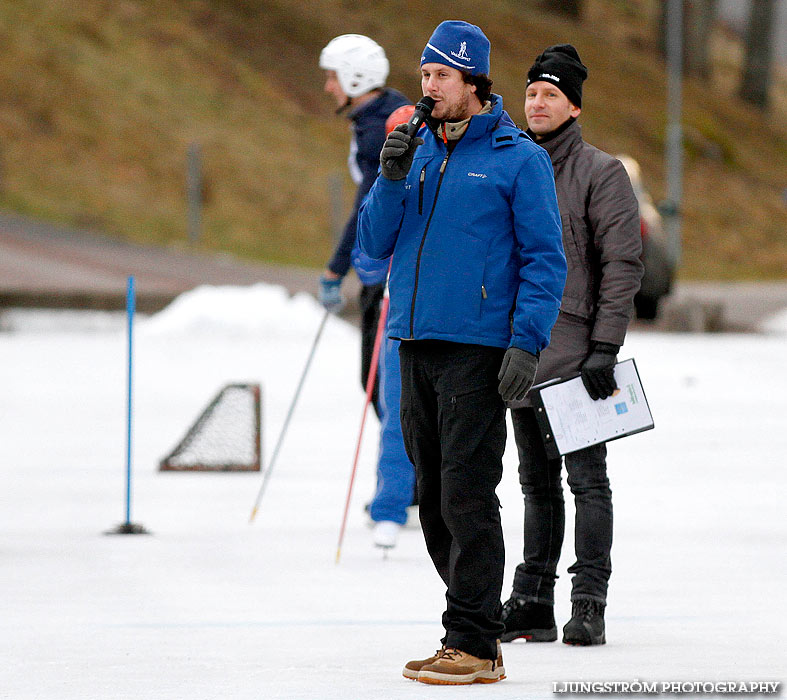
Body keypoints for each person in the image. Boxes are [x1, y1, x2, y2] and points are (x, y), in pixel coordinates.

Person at [358, 21, 566, 685]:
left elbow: (543, 259)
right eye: (424, 76)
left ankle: (471, 641)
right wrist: (388, 179)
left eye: (440, 77)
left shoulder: (517, 157)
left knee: (467, 492)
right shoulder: (412, 148)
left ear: (472, 83)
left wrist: (525, 342)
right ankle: (477, 628)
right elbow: (374, 240)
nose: (428, 88)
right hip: (414, 341)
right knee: (431, 490)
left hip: (477, 348)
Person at [500, 44, 644, 647]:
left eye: (550, 94)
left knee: (587, 482)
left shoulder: (600, 172)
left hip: (578, 355)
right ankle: (533, 599)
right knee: (534, 484)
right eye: (532, 92)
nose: (537, 102)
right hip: (524, 351)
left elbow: (622, 263)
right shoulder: (511, 163)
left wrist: (605, 347)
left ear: (574, 106)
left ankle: (589, 601)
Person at [318, 35, 416, 549]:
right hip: (386, 277)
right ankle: (414, 482)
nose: (327, 87)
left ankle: (401, 495)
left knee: (388, 387)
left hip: (392, 279)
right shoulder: (373, 117)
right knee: (378, 384)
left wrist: (337, 270)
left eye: (332, 76)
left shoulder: (382, 127)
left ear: (355, 79)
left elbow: (368, 208)